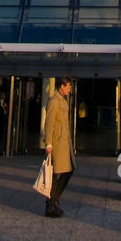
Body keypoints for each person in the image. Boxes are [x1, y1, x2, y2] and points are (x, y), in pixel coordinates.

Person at [43, 77, 75, 217]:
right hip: (56, 144)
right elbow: (49, 123)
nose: (69, 89)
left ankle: (53, 201)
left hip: (64, 143)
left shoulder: (62, 100)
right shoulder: (54, 102)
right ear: (61, 86)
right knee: (56, 175)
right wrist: (48, 143)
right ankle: (51, 205)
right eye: (68, 86)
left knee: (67, 171)